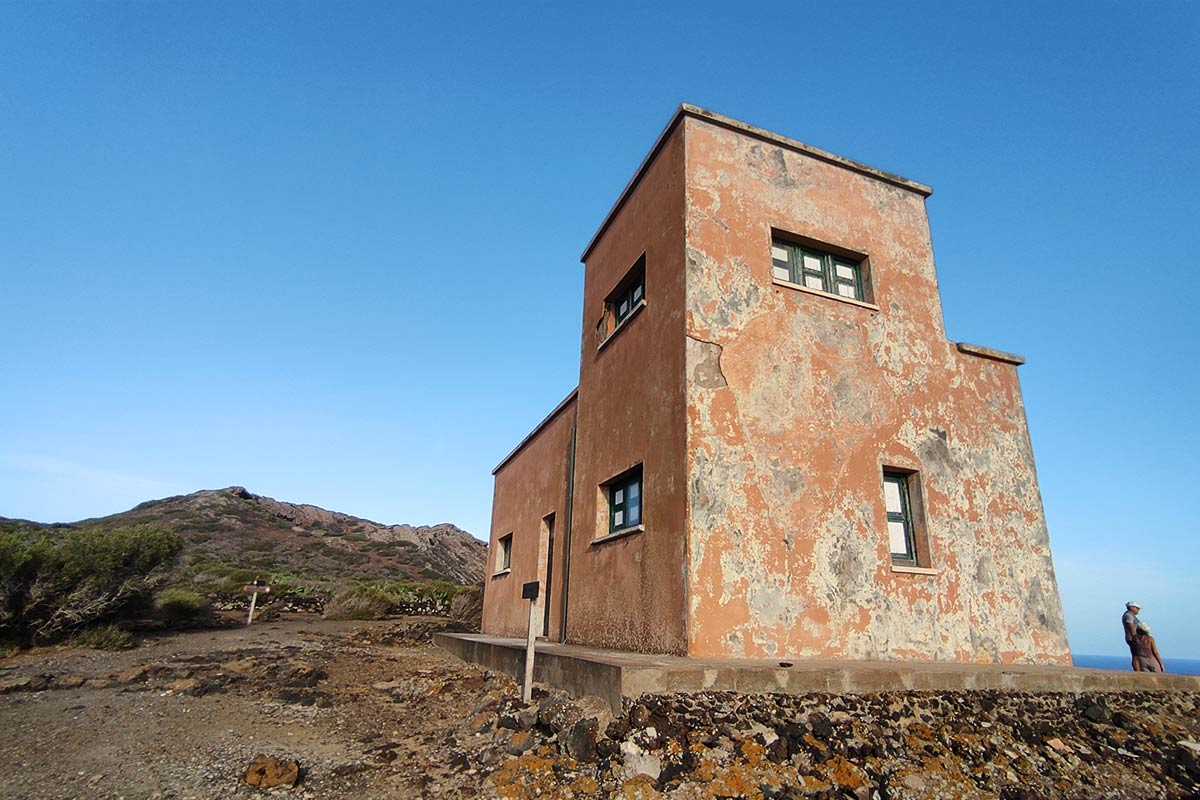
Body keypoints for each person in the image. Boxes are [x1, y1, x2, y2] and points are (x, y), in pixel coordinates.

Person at [1122, 601, 1142, 670]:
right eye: (1137, 608)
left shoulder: (1130, 615)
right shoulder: (1129, 616)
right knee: (1136, 655)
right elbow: (1131, 627)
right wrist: (1135, 638)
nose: (1138, 610)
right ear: (1131, 607)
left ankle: (1138, 669)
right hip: (1132, 638)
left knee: (1137, 655)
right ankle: (1137, 670)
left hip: (1132, 637)